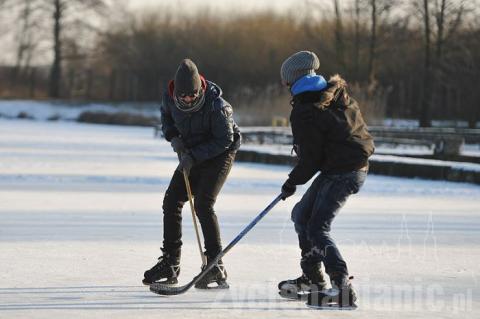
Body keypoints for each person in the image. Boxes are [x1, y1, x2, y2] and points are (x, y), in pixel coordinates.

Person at [277, 51, 374, 307]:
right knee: (301, 215)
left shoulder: (306, 109)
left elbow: (310, 160)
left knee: (317, 227)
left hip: (345, 172)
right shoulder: (335, 93)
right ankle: (313, 279)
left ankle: (341, 286)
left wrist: (291, 182)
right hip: (345, 168)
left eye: (285, 83)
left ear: (291, 82)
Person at [143, 58, 241, 289]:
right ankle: (170, 262)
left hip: (220, 155)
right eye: (184, 95)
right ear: (176, 92)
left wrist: (193, 157)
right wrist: (174, 138)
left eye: (193, 94)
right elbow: (166, 119)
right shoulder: (169, 98)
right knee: (172, 201)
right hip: (190, 153)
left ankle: (215, 265)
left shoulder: (217, 106)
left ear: (200, 89)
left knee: (203, 205)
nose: (188, 99)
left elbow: (225, 140)